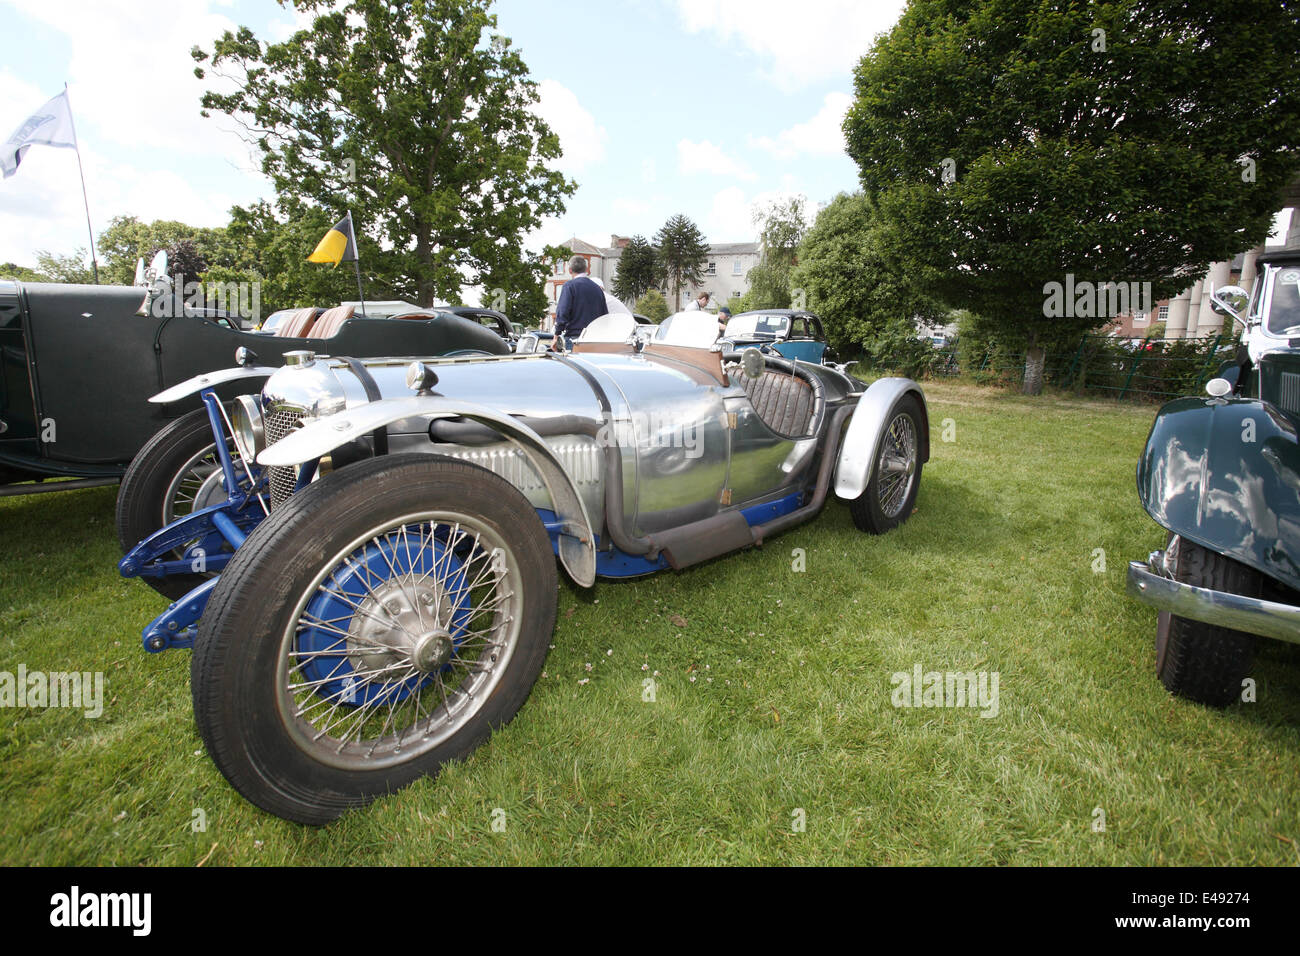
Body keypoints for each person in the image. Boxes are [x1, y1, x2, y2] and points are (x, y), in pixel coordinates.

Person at [552, 256, 607, 349]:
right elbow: (604, 315)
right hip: (595, 339)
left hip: (575, 338)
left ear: (570, 270)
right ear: (586, 269)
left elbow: (563, 311)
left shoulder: (569, 286)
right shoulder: (598, 289)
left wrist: (556, 335)